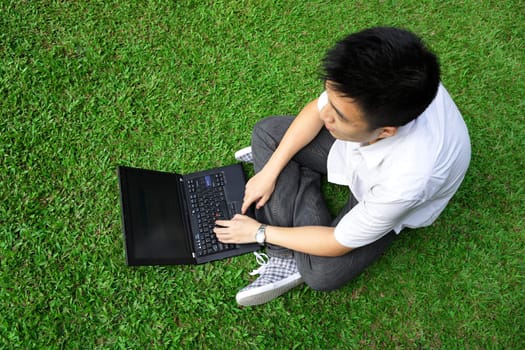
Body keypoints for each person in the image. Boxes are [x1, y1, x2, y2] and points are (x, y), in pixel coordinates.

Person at [214, 27, 471, 306]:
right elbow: (316, 110)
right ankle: (296, 168)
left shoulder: (408, 181)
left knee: (322, 273)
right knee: (268, 132)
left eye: (338, 116)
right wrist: (270, 171)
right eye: (330, 96)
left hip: (381, 193)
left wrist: (259, 232)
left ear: (385, 132)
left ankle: (286, 254)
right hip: (359, 150)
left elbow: (337, 243)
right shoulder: (379, 81)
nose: (325, 114)